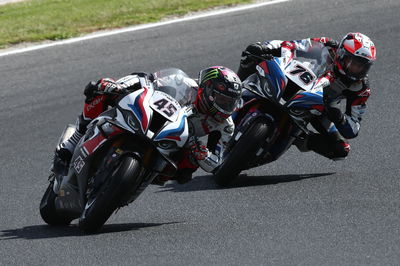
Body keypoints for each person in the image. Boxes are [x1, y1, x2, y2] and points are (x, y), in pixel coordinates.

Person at [54, 66, 243, 188]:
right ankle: (73, 141)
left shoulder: (225, 126)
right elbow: (145, 80)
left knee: (187, 171)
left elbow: (218, 163)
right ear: (207, 90)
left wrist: (203, 155)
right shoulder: (182, 84)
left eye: (229, 103)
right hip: (149, 117)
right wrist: (117, 86)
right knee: (99, 90)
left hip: (178, 143)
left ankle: (141, 177)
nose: (224, 107)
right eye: (221, 99)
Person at [237, 33, 376, 160]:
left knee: (341, 150)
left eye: (364, 66)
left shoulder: (360, 87)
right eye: (355, 63)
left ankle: (299, 138)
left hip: (320, 108)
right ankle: (236, 90)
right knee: (252, 51)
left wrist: (338, 117)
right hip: (298, 80)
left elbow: (353, 128)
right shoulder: (326, 45)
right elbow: (292, 45)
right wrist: (266, 48)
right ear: (341, 54)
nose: (358, 70)